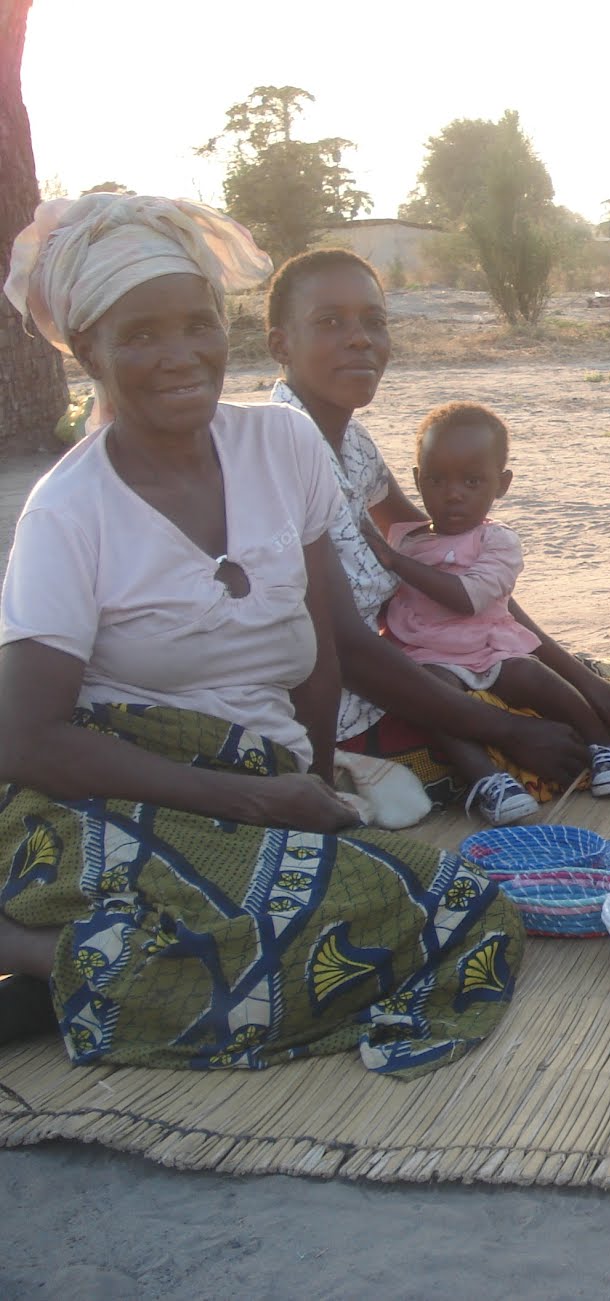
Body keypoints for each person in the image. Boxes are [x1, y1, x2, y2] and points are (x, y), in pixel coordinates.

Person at [0, 193, 522, 1074]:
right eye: (140, 335)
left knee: (453, 904)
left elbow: (320, 642)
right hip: (110, 796)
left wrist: (307, 784)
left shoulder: (281, 445)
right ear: (88, 351)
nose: (180, 355)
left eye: (197, 324)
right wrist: (252, 804)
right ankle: (34, 947)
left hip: (259, 775)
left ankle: (85, 968)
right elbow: (25, 737)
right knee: (325, 924)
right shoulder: (68, 512)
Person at [264, 249, 610, 808]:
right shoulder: (279, 451)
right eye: (330, 321)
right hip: (354, 710)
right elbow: (347, 650)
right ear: (280, 344)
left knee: (591, 688)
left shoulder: (351, 443)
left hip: (426, 667)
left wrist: (583, 681)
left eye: (374, 321)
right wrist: (506, 730)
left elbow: (462, 565)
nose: (360, 339)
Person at [367, 400, 610, 807]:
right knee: (436, 703)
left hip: (490, 646)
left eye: (472, 481)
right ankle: (489, 782)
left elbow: (469, 598)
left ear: (502, 483)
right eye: (437, 480)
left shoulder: (496, 542)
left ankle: (602, 747)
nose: (453, 495)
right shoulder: (405, 540)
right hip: (427, 654)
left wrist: (395, 563)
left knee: (534, 675)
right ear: (417, 480)